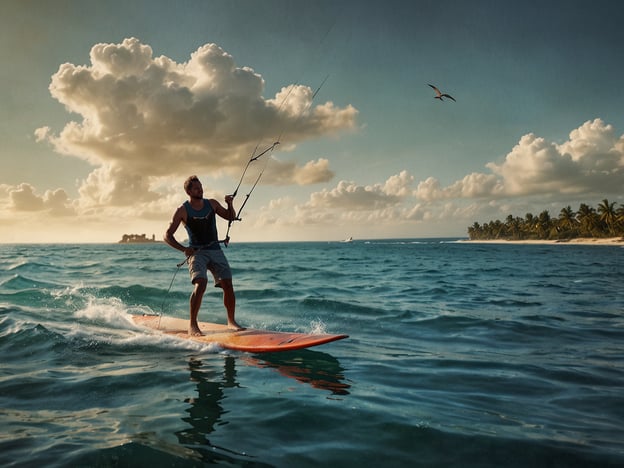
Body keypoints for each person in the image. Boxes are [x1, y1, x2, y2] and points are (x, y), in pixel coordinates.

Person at [164, 175, 244, 335]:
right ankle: (193, 325)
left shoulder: (212, 204)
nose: (200, 190)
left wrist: (230, 203)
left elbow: (230, 216)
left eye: (200, 187)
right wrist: (184, 249)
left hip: (215, 250)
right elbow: (167, 236)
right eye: (196, 188)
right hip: (197, 252)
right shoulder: (182, 210)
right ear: (188, 191)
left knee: (227, 283)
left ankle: (231, 322)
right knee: (201, 283)